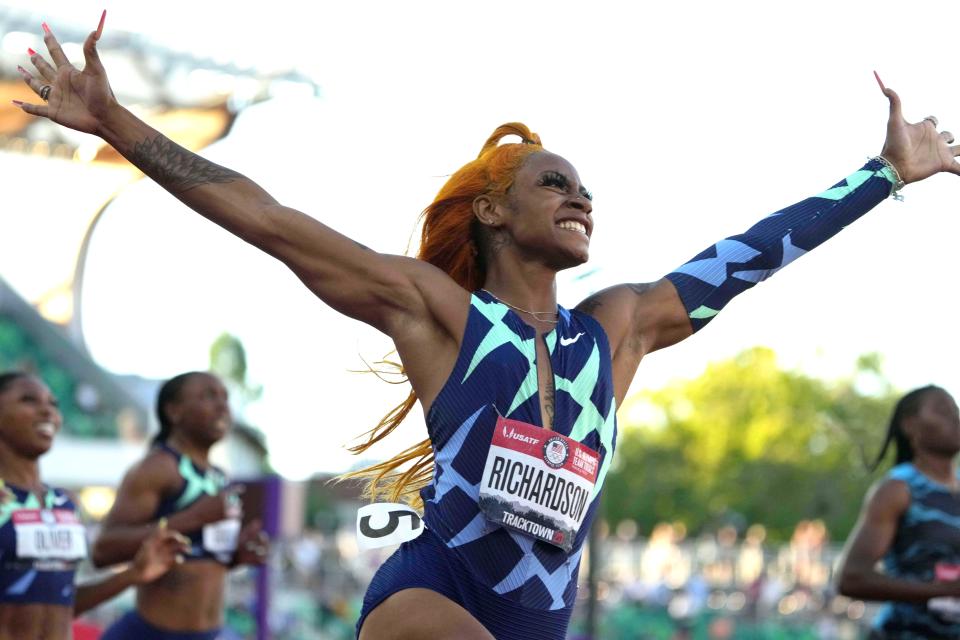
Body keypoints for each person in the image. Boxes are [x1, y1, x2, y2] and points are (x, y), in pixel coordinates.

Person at [14, 14, 960, 640]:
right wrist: (118, 125)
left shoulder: (619, 330)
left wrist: (881, 177)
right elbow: (270, 222)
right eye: (553, 181)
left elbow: (748, 256)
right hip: (430, 602)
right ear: (495, 214)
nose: (579, 194)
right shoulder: (439, 313)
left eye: (585, 186)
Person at [0, 371, 187, 640]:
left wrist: (133, 574)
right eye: (28, 400)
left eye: (53, 404)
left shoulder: (64, 503)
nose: (46, 411)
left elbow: (64, 602)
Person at [90, 371, 269, 640]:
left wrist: (235, 556)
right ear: (174, 411)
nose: (223, 405)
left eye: (225, 397)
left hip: (212, 632)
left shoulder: (219, 476)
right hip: (154, 633)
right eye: (208, 396)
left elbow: (193, 557)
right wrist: (194, 517)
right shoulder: (158, 467)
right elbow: (103, 551)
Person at [837, 385, 960, 639]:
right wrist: (939, 590)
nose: (955, 418)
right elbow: (851, 578)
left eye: (956, 410)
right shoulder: (899, 489)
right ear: (910, 426)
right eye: (942, 411)